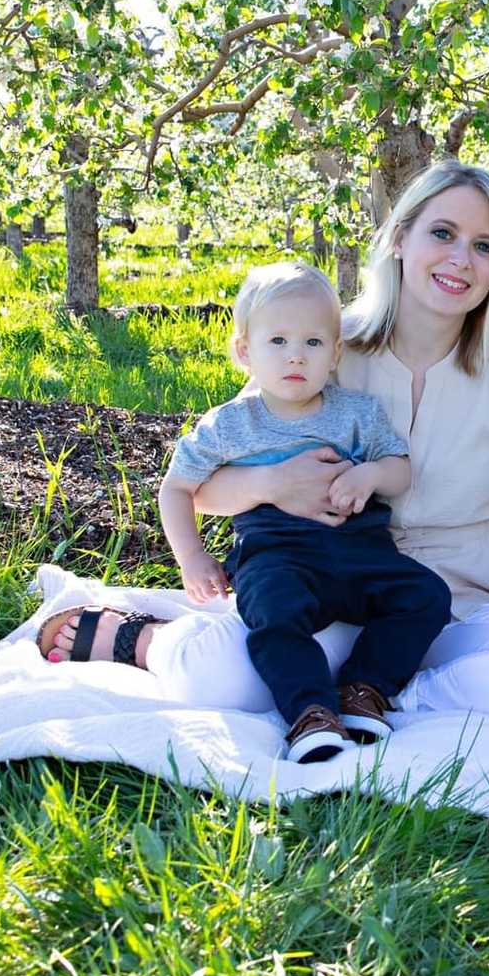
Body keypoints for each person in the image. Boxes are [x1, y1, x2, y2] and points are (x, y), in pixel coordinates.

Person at [36, 162, 489, 732]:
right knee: (217, 678)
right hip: (340, 591)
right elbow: (207, 484)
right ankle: (144, 637)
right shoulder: (323, 341)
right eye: (442, 233)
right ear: (400, 237)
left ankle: (370, 695)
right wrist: (272, 485)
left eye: (485, 245)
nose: (460, 259)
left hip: (467, 606)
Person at [147, 261, 450, 763]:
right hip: (277, 551)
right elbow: (177, 488)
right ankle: (309, 712)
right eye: (278, 342)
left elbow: (400, 470)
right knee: (273, 615)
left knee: (427, 597)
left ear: (335, 354)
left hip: (359, 547)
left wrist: (370, 475)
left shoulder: (357, 412)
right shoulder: (230, 424)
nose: (295, 356)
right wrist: (192, 557)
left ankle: (364, 689)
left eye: (312, 343)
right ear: (245, 352)